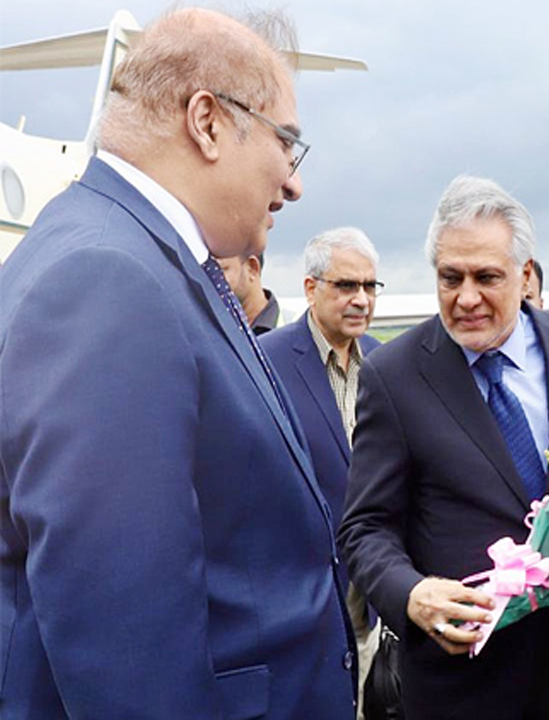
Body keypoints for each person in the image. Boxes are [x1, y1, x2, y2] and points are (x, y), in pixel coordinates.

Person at [0, 8, 356, 719]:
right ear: (208, 122)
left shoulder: (135, 257)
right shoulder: (109, 280)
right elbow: (128, 652)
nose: (294, 184)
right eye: (287, 143)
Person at [339, 175, 549, 719]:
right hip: (455, 685)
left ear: (525, 274)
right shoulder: (394, 375)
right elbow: (364, 528)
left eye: (486, 277)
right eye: (450, 278)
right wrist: (412, 595)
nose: (466, 298)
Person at [259, 226, 383, 715]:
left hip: (372, 595)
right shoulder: (267, 360)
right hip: (301, 597)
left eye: (369, 286)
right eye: (346, 285)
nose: (361, 299)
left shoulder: (384, 362)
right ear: (311, 289)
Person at [218, 251, 289, 334]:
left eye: (221, 269)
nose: (213, 278)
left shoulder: (293, 328)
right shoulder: (212, 329)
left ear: (252, 268)